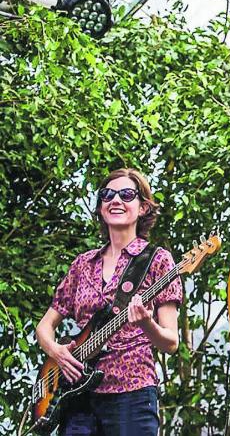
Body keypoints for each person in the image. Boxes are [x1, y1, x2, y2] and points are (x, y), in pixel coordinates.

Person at [35, 168, 182, 435]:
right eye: (108, 194)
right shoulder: (82, 264)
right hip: (77, 397)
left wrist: (147, 323)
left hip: (132, 393)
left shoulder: (158, 260)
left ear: (143, 208)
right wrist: (57, 352)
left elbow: (171, 343)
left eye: (127, 194)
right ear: (101, 207)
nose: (116, 200)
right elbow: (44, 327)